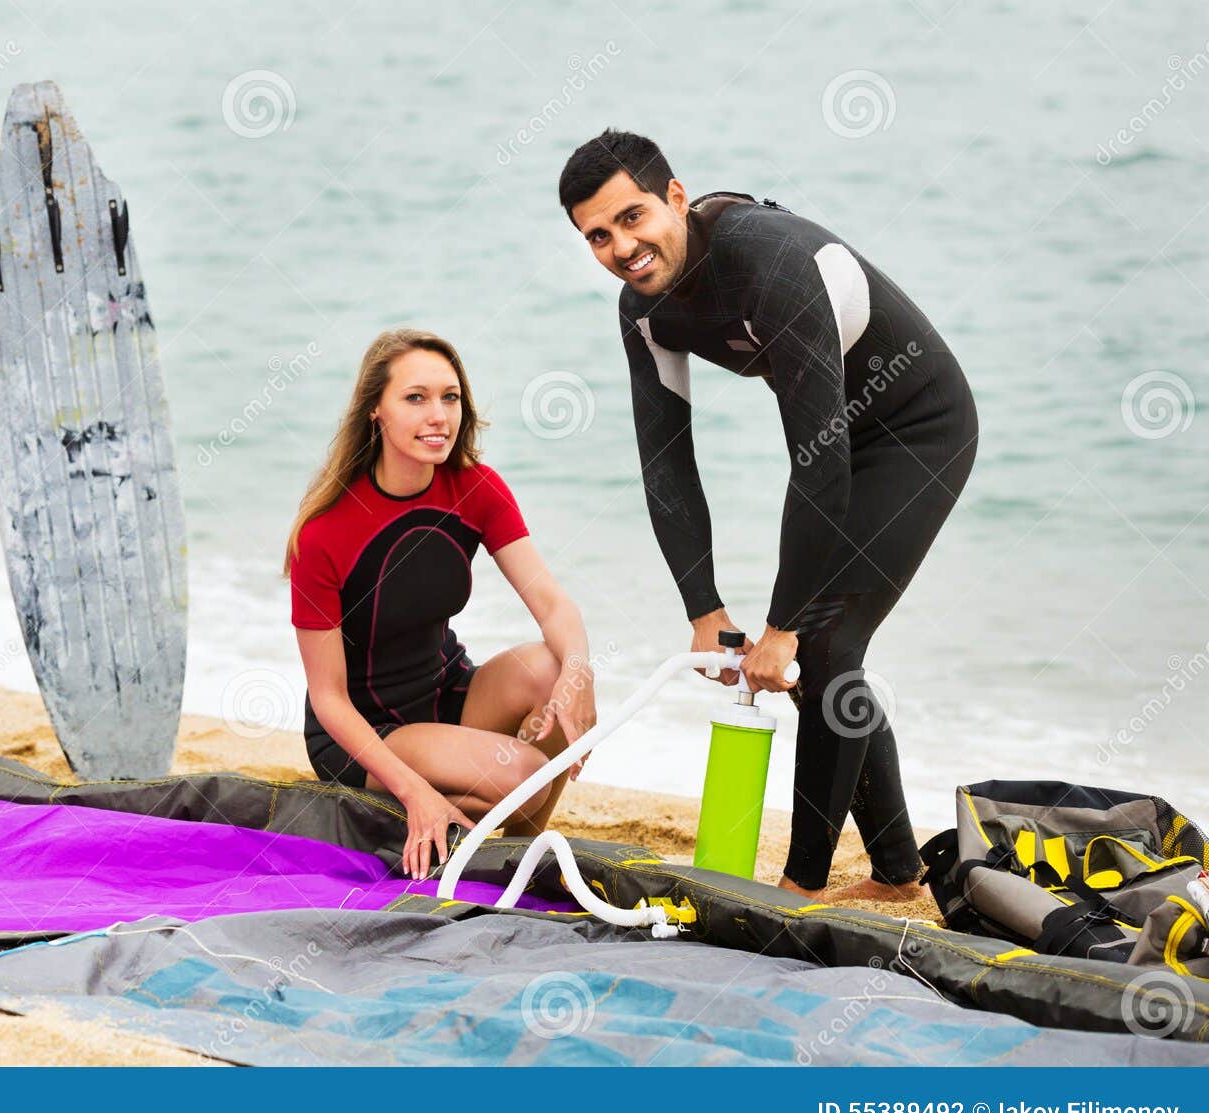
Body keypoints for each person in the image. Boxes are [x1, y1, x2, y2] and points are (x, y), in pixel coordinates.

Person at [558, 129, 978, 903]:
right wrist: (705, 608)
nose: (623, 247)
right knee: (828, 652)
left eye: (633, 217)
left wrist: (781, 623)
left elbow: (817, 465)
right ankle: (895, 874)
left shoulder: (771, 265)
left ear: (675, 197)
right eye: (597, 235)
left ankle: (800, 887)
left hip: (920, 426)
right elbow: (667, 461)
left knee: (822, 644)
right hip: (842, 438)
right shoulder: (644, 310)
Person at [286, 329, 597, 880]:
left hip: (445, 692)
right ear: (376, 411)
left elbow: (550, 602)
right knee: (524, 773)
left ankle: (513, 863)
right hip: (365, 729)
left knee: (551, 667)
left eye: (449, 397)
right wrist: (415, 791)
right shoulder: (324, 531)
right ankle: (419, 814)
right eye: (416, 398)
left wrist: (578, 673)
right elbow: (328, 697)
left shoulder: (475, 488)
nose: (438, 416)